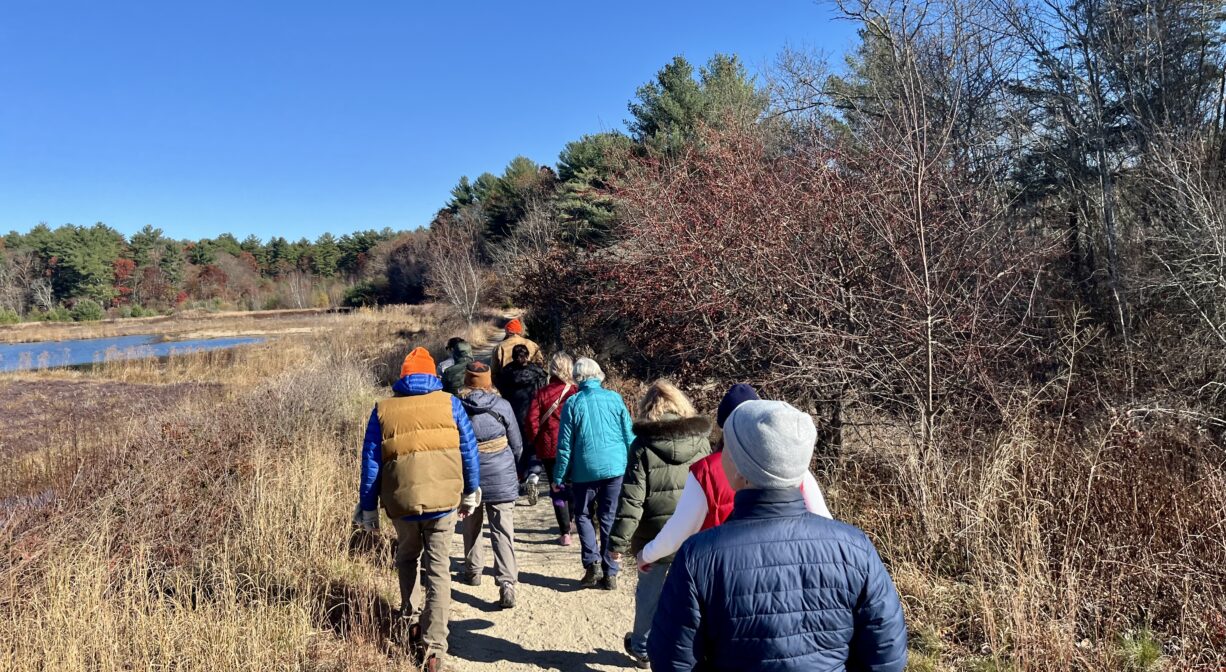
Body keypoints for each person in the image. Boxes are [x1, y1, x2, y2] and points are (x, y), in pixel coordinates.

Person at [648, 400, 908, 671]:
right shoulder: (855, 549)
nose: (720, 451)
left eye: (727, 447)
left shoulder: (699, 557)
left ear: (739, 470)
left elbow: (672, 662)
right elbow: (886, 655)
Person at [354, 346, 481, 672]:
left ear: (403, 378)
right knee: (438, 570)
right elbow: (469, 451)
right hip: (443, 502)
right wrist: (471, 491)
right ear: (432, 376)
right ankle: (435, 647)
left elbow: (370, 465)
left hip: (401, 504)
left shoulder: (382, 410)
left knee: (407, 557)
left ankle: (410, 622)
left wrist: (367, 509)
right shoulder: (450, 403)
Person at [636, 384, 830, 569]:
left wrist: (647, 554)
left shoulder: (706, 470)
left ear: (724, 427)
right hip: (790, 564)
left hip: (720, 568)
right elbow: (823, 521)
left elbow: (678, 531)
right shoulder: (793, 469)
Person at [608, 381, 711, 669]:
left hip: (654, 535)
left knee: (649, 593)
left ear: (648, 408)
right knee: (691, 596)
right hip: (694, 531)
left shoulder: (642, 446)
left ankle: (642, 646)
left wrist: (617, 542)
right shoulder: (701, 441)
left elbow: (632, 499)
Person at [552, 357, 634, 589]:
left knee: (584, 515)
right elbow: (629, 435)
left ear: (577, 378)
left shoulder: (572, 404)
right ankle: (611, 572)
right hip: (615, 467)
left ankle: (592, 564)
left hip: (583, 471)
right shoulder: (615, 398)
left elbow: (565, 445)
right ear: (599, 375)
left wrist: (559, 476)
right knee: (609, 517)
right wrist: (634, 464)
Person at [455, 361, 523, 609]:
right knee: (502, 531)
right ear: (488, 381)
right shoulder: (502, 406)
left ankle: (473, 572)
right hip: (501, 473)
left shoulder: (458, 407)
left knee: (470, 525)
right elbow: (516, 444)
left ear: (466, 381)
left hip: (470, 475)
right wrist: (514, 469)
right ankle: (507, 584)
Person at [524, 351, 580, 545]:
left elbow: (531, 421)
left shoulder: (542, 393)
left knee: (557, 487)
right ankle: (572, 519)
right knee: (572, 484)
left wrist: (534, 440)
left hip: (550, 446)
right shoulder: (576, 392)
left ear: (552, 369)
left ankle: (565, 532)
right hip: (573, 445)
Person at [498, 343, 548, 498]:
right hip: (534, 414)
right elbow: (543, 391)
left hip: (513, 414)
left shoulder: (506, 373)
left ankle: (521, 477)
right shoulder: (538, 372)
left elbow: (502, 392)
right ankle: (534, 475)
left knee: (517, 446)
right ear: (527, 356)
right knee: (533, 445)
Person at [489, 318, 543, 382]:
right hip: (529, 383)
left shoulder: (499, 347)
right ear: (519, 331)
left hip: (507, 384)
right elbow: (540, 364)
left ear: (507, 331)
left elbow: (494, 371)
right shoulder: (533, 345)